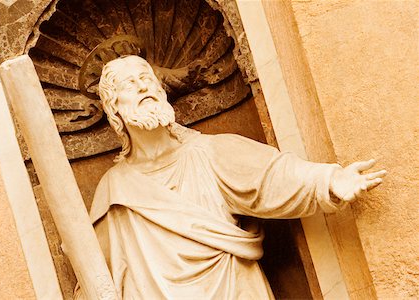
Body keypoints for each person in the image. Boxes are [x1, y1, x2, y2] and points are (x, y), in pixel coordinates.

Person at [76, 55, 386, 299]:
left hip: (232, 289)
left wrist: (329, 181)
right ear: (114, 108)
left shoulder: (212, 152)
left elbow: (274, 176)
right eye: (129, 84)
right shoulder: (115, 190)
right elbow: (97, 275)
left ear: (160, 91)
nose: (143, 86)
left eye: (146, 79)